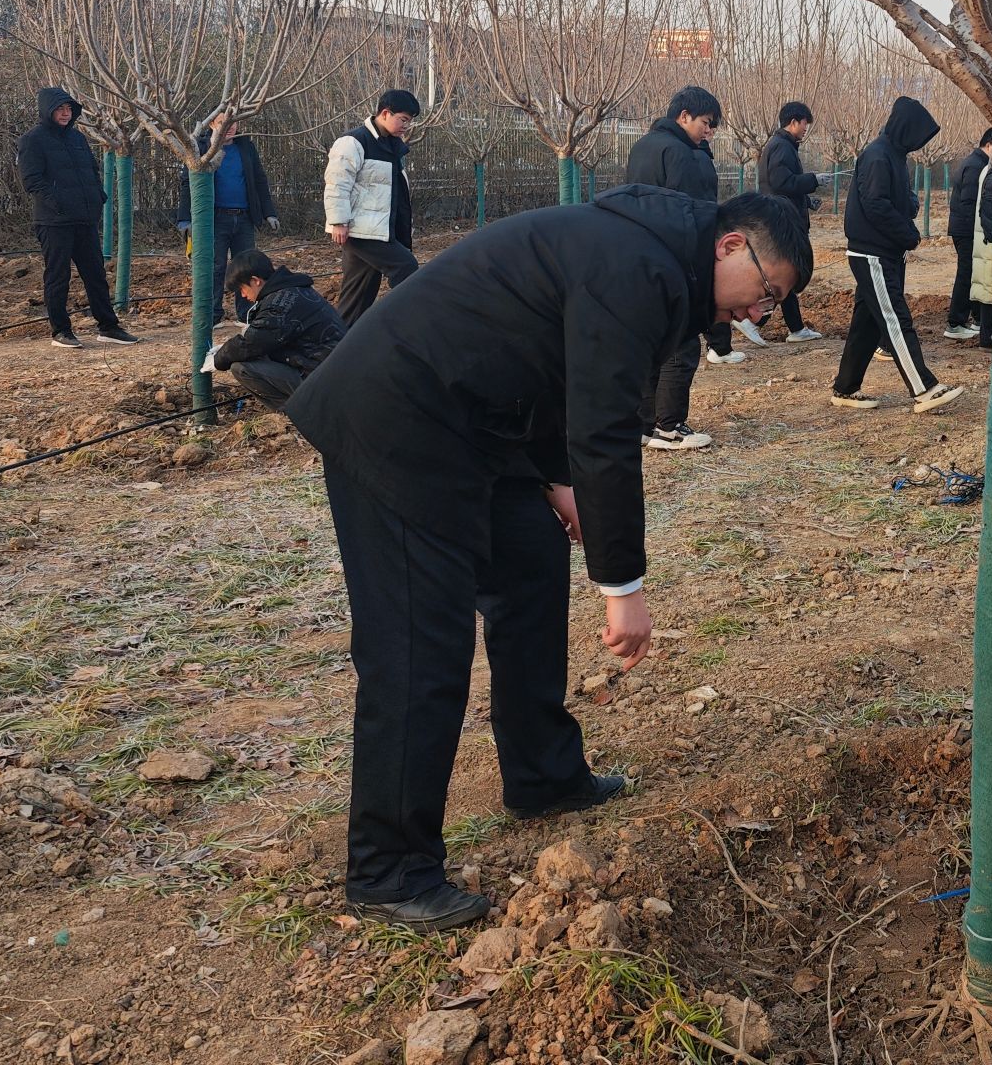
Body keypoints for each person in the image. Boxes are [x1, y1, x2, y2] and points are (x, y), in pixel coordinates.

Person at [286, 188, 812, 930]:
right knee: (419, 645)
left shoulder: (650, 257)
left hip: (472, 423)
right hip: (396, 418)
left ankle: (543, 775)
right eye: (767, 292)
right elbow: (604, 426)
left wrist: (554, 480)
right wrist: (622, 587)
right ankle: (388, 869)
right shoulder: (641, 264)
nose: (759, 311)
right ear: (731, 246)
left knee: (530, 564)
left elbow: (551, 366)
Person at [830, 96, 963, 413]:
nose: (920, 143)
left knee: (866, 324)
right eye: (918, 135)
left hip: (883, 251)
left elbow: (899, 197)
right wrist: (908, 234)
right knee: (895, 320)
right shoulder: (878, 155)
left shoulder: (894, 155)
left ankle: (845, 388)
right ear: (906, 128)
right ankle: (924, 389)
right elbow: (875, 204)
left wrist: (910, 206)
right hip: (871, 253)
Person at [624, 86, 727, 448]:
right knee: (682, 345)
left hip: (640, 256)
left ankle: (642, 425)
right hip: (673, 259)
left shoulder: (642, 146)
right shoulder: (681, 153)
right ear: (684, 116)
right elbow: (690, 213)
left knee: (651, 345)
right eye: (706, 123)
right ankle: (669, 425)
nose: (708, 131)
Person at [16, 87, 139, 349]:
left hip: (84, 219)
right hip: (54, 222)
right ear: (47, 110)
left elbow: (92, 171)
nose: (65, 113)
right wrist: (58, 204)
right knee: (58, 276)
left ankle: (108, 326)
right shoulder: (32, 140)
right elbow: (32, 180)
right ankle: (61, 330)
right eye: (60, 109)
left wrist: (98, 196)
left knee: (96, 274)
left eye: (69, 109)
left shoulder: (77, 138)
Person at [325, 89, 421, 325]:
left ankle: (339, 341)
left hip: (378, 229)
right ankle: (406, 325)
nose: (406, 126)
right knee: (406, 267)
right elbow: (337, 182)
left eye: (409, 121)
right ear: (385, 113)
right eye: (403, 119)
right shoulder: (354, 141)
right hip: (360, 230)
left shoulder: (392, 146)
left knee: (358, 295)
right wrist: (338, 221)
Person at [174, 116, 281, 323]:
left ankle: (246, 315)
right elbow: (188, 184)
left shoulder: (246, 147)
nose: (229, 127)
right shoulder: (201, 149)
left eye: (233, 122)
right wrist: (185, 220)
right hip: (214, 219)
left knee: (247, 267)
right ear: (211, 124)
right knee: (215, 267)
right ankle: (213, 316)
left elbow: (259, 180)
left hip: (244, 219)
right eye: (222, 122)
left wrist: (269, 212)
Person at [210, 249, 344, 408]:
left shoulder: (278, 305)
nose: (243, 295)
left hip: (324, 379)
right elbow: (263, 338)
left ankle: (300, 411)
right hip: (334, 367)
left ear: (255, 281)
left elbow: (251, 344)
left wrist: (218, 359)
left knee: (242, 368)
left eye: (242, 289)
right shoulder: (294, 289)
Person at [754, 100, 829, 343]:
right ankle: (754, 320)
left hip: (783, 217)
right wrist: (813, 180)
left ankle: (794, 328)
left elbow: (785, 186)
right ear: (794, 121)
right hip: (782, 222)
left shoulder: (783, 145)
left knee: (785, 275)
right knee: (783, 276)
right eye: (805, 123)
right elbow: (781, 183)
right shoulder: (782, 147)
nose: (806, 129)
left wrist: (807, 201)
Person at [945, 128, 992, 339]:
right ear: (989, 145)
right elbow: (969, 203)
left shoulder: (977, 163)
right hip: (966, 230)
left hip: (966, 229)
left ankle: (977, 319)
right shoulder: (976, 166)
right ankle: (955, 322)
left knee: (975, 273)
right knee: (966, 274)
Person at [969, 134, 992, 349]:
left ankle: (986, 339)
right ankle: (990, 340)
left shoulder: (987, 169)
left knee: (988, 287)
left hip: (985, 239)